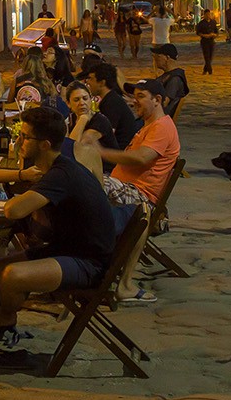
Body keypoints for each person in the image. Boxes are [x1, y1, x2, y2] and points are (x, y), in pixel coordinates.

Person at [0, 107, 115, 365]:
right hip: (63, 249)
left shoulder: (62, 174)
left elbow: (14, 209)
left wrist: (21, 196)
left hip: (87, 262)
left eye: (25, 137)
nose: (18, 142)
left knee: (11, 275)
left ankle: (6, 314)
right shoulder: (55, 170)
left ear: (44, 145)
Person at [99, 78, 181, 300]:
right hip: (124, 189)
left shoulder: (162, 126)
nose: (135, 102)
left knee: (86, 181)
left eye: (141, 96)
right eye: (134, 97)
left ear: (158, 100)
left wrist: (101, 152)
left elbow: (141, 158)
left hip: (138, 196)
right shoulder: (147, 126)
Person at [62, 81, 116, 179]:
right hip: (84, 170)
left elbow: (73, 148)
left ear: (91, 99)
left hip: (106, 173)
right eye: (76, 100)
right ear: (68, 103)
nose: (82, 103)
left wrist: (83, 119)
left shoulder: (100, 120)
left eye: (85, 98)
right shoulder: (69, 120)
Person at [92, 63, 139, 149]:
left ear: (102, 83)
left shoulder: (111, 103)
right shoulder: (110, 98)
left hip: (121, 152)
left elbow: (107, 133)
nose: (88, 82)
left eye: (91, 79)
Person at [149, 43, 190, 117]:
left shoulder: (175, 79)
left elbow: (164, 102)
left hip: (159, 119)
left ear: (167, 58)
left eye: (158, 56)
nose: (155, 59)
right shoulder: (168, 75)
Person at [195, 9, 219, 75]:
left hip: (211, 41)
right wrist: (204, 35)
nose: (208, 16)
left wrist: (214, 35)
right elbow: (198, 32)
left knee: (210, 56)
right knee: (206, 56)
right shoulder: (201, 23)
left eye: (209, 14)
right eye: (206, 14)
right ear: (204, 15)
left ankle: (205, 69)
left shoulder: (213, 22)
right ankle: (210, 70)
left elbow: (216, 32)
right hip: (204, 41)